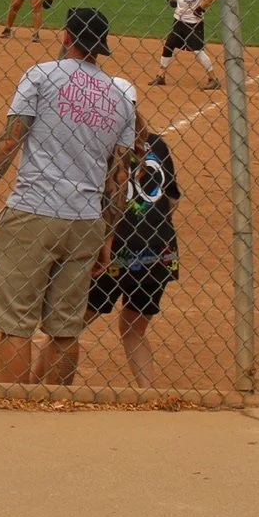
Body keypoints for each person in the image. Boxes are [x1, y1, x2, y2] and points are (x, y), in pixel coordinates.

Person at [0, 7, 140, 386]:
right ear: (101, 47)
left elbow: (9, 141)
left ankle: (14, 409)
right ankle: (55, 406)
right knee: (65, 328)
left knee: (15, 323)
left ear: (66, 37)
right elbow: (120, 176)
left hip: (34, 212)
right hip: (86, 221)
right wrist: (107, 236)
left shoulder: (40, 76)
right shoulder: (120, 96)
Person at [86, 85, 178, 388]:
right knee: (134, 330)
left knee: (66, 328)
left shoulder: (101, 144)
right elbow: (172, 200)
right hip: (161, 252)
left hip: (117, 248)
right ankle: (148, 395)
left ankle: (33, 388)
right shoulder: (158, 144)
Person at [156, 0, 220, 89]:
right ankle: (160, 76)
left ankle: (213, 78)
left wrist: (201, 7)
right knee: (168, 46)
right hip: (178, 19)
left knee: (197, 51)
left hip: (193, 22)